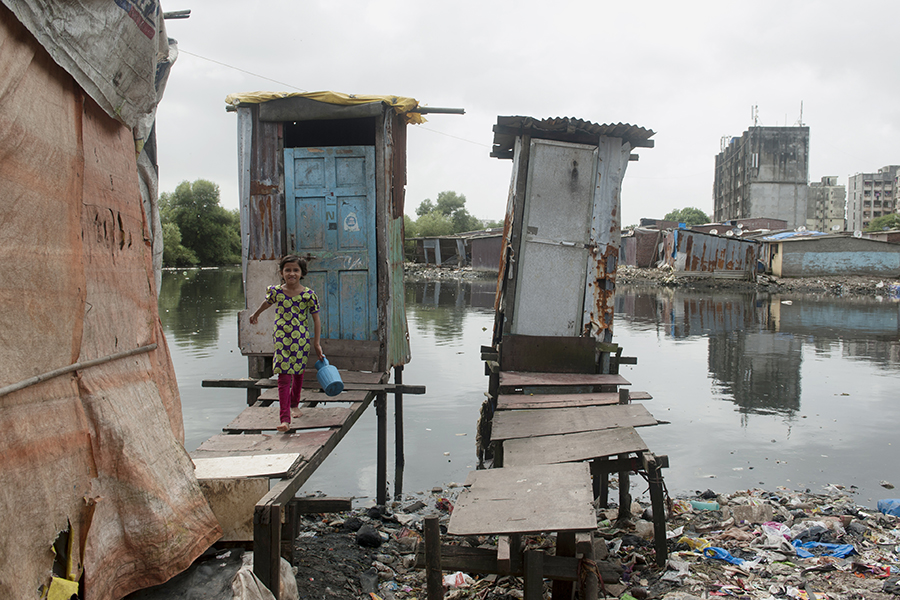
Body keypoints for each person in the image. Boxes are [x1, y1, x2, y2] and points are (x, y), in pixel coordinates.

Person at [249, 255, 324, 432]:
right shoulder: (276, 292)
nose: (291, 273)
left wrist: (317, 343)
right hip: (282, 339)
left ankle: (294, 403)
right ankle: (285, 419)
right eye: (288, 270)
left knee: (298, 373)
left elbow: (316, 320)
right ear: (282, 273)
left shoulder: (308, 295)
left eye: (295, 270)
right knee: (283, 377)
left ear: (302, 273)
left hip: (300, 340)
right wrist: (256, 314)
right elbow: (266, 303)